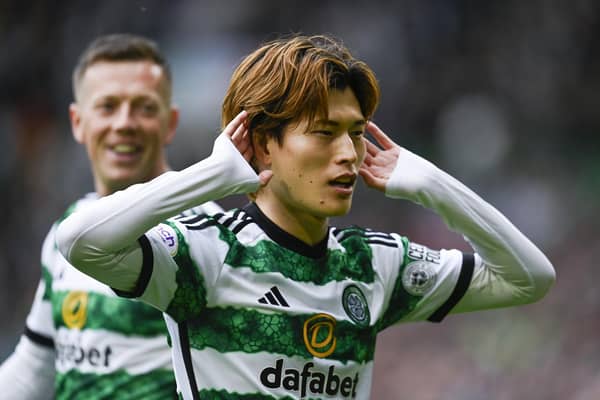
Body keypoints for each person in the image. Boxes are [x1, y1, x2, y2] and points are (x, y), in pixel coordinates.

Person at [55, 34, 555, 399]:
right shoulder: (203, 254)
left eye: (355, 132)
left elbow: (529, 278)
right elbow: (81, 242)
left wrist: (434, 188)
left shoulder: (377, 264)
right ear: (264, 145)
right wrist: (212, 174)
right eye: (323, 133)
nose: (349, 154)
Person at [0, 33, 221, 399]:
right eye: (107, 106)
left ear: (171, 122)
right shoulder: (68, 229)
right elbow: (35, 366)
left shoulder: (207, 233)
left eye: (144, 107)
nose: (124, 123)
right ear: (77, 121)